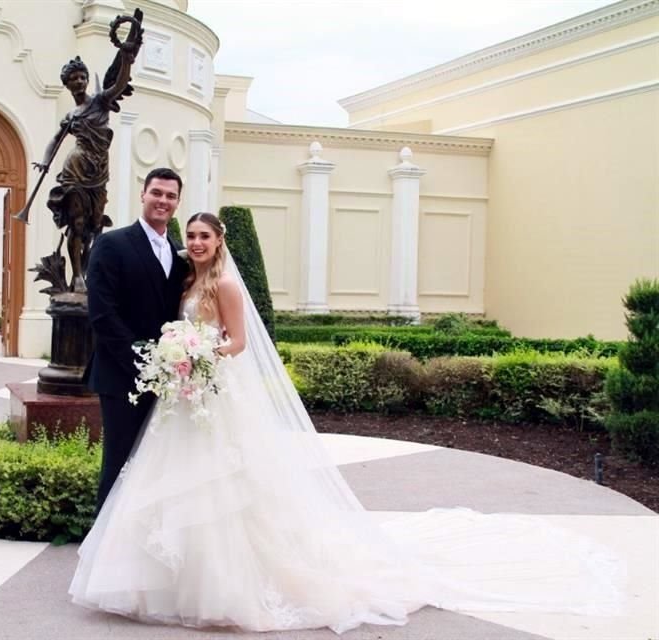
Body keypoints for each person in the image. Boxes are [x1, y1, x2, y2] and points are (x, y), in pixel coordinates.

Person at [70, 212, 625, 634]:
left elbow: (237, 343)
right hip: (189, 398)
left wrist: (199, 355)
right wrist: (180, 353)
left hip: (213, 389)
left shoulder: (228, 286)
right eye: (190, 235)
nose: (194, 243)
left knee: (228, 487)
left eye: (204, 237)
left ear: (219, 243)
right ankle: (166, 577)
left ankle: (232, 583)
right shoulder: (187, 286)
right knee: (172, 480)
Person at [85, 167, 189, 513]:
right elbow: (102, 314)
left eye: (170, 196)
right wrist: (143, 363)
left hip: (168, 380)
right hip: (121, 375)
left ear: (177, 202)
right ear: (143, 194)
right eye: (157, 193)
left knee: (155, 466)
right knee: (118, 462)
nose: (163, 201)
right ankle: (100, 551)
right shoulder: (111, 243)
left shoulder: (179, 253)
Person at [37, 48, 137, 294]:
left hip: (99, 171)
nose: (79, 81)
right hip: (76, 168)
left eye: (82, 77)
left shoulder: (101, 101)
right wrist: (45, 160)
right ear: (67, 85)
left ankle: (87, 269)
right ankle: (78, 275)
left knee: (94, 225)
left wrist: (125, 58)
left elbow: (121, 83)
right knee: (77, 223)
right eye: (74, 79)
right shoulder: (71, 115)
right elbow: (55, 139)